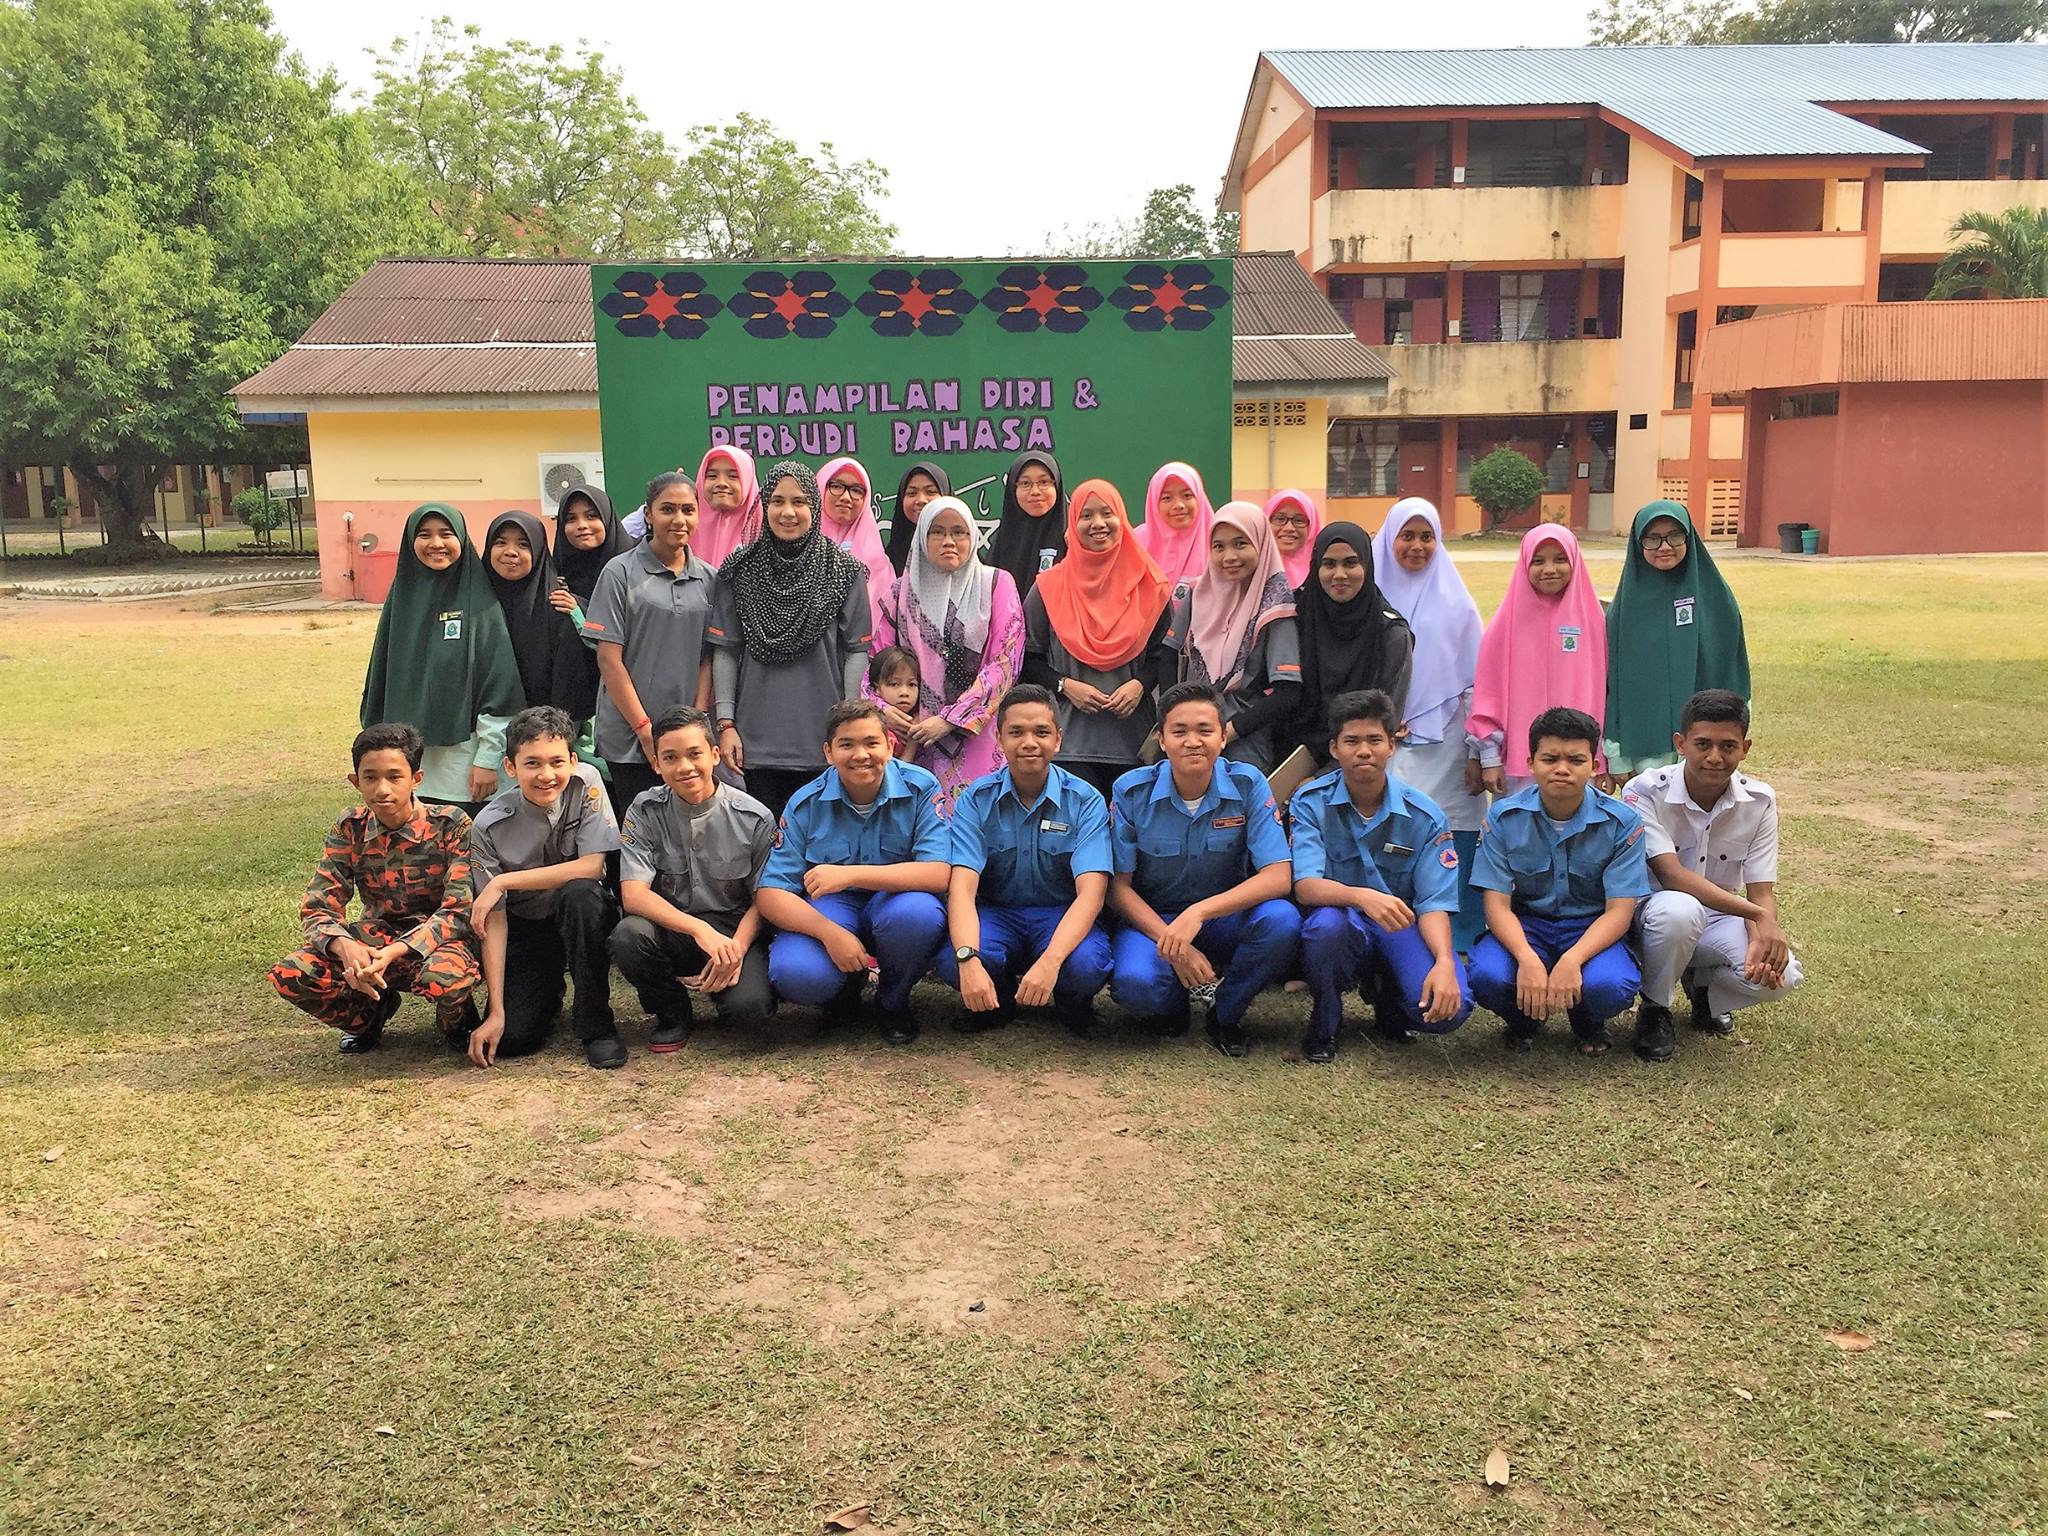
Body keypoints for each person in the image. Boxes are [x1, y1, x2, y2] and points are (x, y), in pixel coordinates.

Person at [1108, 681, 1301, 1057]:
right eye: (1179, 731)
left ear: (1223, 737)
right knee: (1135, 984)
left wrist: (1198, 913)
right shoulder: (1131, 792)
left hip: (1223, 916)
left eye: (1205, 730)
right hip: (1156, 920)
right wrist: (1176, 945)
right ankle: (1171, 1005)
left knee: (1281, 921)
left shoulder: (1248, 784)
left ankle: (1225, 1012)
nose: (1193, 742)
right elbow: (1118, 888)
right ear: (1162, 740)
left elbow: (1278, 876)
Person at [267, 723, 481, 1054]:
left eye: (394, 777)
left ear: (416, 779)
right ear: (355, 781)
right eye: (370, 777)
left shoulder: (450, 825)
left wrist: (395, 952)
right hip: (376, 938)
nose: (382, 789)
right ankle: (368, 1016)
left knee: (444, 978)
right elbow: (318, 906)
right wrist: (345, 947)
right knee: (293, 973)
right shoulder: (349, 828)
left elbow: (458, 911)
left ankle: (457, 1021)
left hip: (439, 941)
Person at [754, 700, 950, 1046]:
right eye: (847, 744)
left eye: (871, 743)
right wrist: (829, 933)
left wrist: (851, 875)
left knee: (917, 914)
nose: (861, 755)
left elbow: (938, 873)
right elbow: (771, 893)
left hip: (895, 903)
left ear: (890, 745)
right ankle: (843, 990)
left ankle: (893, 1000)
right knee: (796, 973)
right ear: (828, 753)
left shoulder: (921, 788)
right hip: (833, 909)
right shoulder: (805, 803)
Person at [1292, 690, 1472, 1062]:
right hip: (1340, 921)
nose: (1364, 751)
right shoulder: (1310, 802)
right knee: (1326, 927)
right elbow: (1306, 887)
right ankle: (1325, 1021)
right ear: (1334, 748)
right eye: (1352, 741)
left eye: (1375, 740)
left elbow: (1433, 903)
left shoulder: (1425, 815)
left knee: (1449, 1012)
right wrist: (1361, 896)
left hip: (1399, 926)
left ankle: (1391, 1000)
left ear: (1392, 745)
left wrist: (1444, 961)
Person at [1621, 689, 1800, 1062]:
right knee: (1680, 911)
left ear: (1745, 748)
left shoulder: (1760, 801)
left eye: (1728, 746)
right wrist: (1758, 917)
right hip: (1652, 918)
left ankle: (1705, 992)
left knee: (1781, 977)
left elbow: (1761, 891)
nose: (1715, 757)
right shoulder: (1645, 791)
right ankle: (1655, 1008)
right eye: (1703, 744)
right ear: (1680, 744)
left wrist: (1761, 936)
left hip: (1719, 917)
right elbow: (1671, 875)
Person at [1468, 707, 1650, 1056]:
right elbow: (1496, 905)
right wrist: (1526, 958)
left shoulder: (1622, 822)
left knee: (1611, 985)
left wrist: (1572, 960)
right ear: (1530, 763)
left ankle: (1588, 1020)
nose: (1562, 769)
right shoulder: (1504, 817)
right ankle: (1524, 1019)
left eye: (1575, 760)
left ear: (1594, 765)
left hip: (1590, 927)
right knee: (1487, 976)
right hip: (1527, 925)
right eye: (1550, 759)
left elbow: (1619, 911)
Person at [938, 684, 1114, 1036]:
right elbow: (962, 889)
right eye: (1016, 732)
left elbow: (1092, 894)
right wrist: (967, 958)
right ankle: (996, 1003)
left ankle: (1072, 1004)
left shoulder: (1085, 800)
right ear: (999, 739)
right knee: (951, 959)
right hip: (997, 915)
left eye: (1041, 732)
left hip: (1059, 914)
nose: (1029, 742)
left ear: (1058, 739)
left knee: (1086, 964)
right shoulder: (976, 800)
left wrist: (1051, 961)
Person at [608, 706, 778, 1050]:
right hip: (675, 928)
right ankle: (672, 1012)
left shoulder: (753, 817)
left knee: (751, 1011)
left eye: (694, 754)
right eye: (670, 757)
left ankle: (725, 992)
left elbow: (765, 898)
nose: (684, 767)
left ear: (714, 755)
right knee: (629, 935)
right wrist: (698, 929)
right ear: (656, 764)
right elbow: (634, 895)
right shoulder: (645, 810)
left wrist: (735, 950)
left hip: (734, 930)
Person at [712, 461, 873, 818]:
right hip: (754, 742)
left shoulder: (843, 570)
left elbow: (856, 651)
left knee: (823, 839)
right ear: (764, 505)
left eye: (799, 502)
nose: (788, 512)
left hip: (824, 742)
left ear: (814, 507)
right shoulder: (739, 569)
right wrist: (726, 724)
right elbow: (726, 650)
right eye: (777, 501)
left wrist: (848, 728)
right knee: (765, 841)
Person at [466, 706, 624, 1070]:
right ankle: (548, 992)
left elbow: (592, 866)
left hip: (581, 915)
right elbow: (496, 920)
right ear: (510, 767)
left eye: (556, 762)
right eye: (532, 763)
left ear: (573, 760)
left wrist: (504, 880)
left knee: (582, 893)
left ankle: (596, 1026)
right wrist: (497, 1010)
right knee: (513, 1038)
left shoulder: (587, 783)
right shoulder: (488, 825)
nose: (547, 775)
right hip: (528, 924)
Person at [1373, 498, 1487, 951]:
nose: (1417, 546)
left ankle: (1460, 931)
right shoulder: (1370, 596)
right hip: (1386, 737)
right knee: (1393, 828)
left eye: (1427, 537)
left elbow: (1477, 680)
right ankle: (1395, 929)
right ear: (1389, 539)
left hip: (1448, 738)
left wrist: (1479, 750)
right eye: (1407, 536)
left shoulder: (1458, 603)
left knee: (1454, 826)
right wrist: (1383, 715)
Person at [359, 503, 525, 812]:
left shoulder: (481, 602)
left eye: (446, 534)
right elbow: (381, 678)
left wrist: (487, 759)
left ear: (461, 538)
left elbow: (499, 687)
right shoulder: (401, 600)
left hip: (466, 771)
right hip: (408, 769)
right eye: (424, 535)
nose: (436, 543)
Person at [1022, 478, 1172, 803]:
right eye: (1086, 515)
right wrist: (1065, 686)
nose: (1098, 523)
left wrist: (1140, 685)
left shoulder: (1151, 585)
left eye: (1107, 513)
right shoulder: (1049, 587)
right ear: (1072, 524)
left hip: (1136, 744)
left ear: (1122, 518)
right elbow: (1026, 659)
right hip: (1068, 745)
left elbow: (1165, 656)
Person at [871, 495, 1024, 810]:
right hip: (911, 737)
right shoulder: (900, 593)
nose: (949, 541)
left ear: (973, 537)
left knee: (976, 818)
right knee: (920, 823)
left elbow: (1005, 662)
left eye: (959, 532)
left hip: (978, 735)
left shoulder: (996, 584)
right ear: (922, 537)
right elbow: (876, 663)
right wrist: (884, 710)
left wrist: (951, 719)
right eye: (937, 532)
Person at [584, 472, 716, 817]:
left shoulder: (709, 578)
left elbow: (708, 656)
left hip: (687, 738)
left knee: (690, 827)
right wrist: (644, 729)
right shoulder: (619, 572)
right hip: (629, 738)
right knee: (640, 829)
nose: (679, 519)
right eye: (667, 509)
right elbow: (609, 660)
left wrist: (697, 720)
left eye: (688, 510)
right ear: (648, 514)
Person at [1604, 500, 1751, 783]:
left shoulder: (1716, 599)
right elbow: (1612, 684)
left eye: (1674, 536)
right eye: (1652, 538)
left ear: (1689, 537)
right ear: (1638, 544)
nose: (1664, 546)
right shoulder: (1623, 611)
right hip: (1645, 749)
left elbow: (1732, 669)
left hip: (1705, 750)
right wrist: (1616, 754)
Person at [1467, 523, 1607, 797]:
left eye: (1560, 559)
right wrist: (1489, 757)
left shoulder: (1593, 622)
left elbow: (1605, 694)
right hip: (1519, 767)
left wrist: (1602, 758)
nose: (1550, 569)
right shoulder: (1505, 625)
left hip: (1578, 763)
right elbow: (1486, 696)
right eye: (1538, 561)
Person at [1160, 502, 1301, 773]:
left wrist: (1227, 731)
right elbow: (1168, 656)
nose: (1229, 556)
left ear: (1261, 544)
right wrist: (1174, 717)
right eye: (1219, 546)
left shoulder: (1274, 606)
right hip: (1190, 739)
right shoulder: (1198, 593)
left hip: (1243, 745)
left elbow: (1288, 692)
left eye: (1240, 544)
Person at [1289, 523, 1413, 766]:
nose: (1339, 574)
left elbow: (1383, 722)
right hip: (1286, 756)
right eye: (1329, 564)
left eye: (1350, 563)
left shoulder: (1391, 632)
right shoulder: (1293, 616)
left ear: (1367, 565)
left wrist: (1321, 778)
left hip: (1358, 762)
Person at [484, 511, 601, 728]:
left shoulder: (559, 606)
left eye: (523, 544)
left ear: (538, 552)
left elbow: (570, 688)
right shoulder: (476, 603)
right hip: (484, 731)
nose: (510, 552)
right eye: (500, 542)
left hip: (546, 733)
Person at [815, 455, 896, 629]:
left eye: (857, 490)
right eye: (837, 486)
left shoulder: (879, 565)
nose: (846, 497)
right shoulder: (799, 556)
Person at [987, 449, 1065, 599]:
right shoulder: (1001, 543)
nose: (1035, 491)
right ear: (1013, 489)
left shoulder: (1072, 540)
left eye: (1044, 482)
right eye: (1025, 483)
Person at [1134, 461, 1215, 595]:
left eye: (1187, 496)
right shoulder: (1136, 542)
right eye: (1167, 498)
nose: (1179, 505)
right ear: (1154, 503)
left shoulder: (1218, 541)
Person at [690, 444, 763, 570]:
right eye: (712, 476)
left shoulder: (764, 534)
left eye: (733, 476)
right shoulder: (684, 530)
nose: (721, 483)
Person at [884, 460, 949, 574]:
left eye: (930, 492)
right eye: (912, 493)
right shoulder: (892, 556)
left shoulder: (959, 549)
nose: (921, 500)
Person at [867, 645, 923, 758]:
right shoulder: (870, 727)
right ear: (877, 689)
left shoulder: (921, 719)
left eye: (912, 684)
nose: (904, 693)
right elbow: (890, 769)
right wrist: (912, 745)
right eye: (894, 684)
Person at [1264, 489, 1322, 590]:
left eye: (1299, 520)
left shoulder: (1324, 571)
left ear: (1312, 526)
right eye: (1280, 519)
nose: (1289, 528)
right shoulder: (1250, 570)